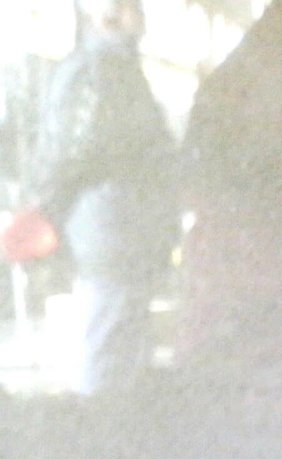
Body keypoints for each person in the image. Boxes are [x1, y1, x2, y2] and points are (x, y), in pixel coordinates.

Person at [27, 0, 175, 394]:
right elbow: (70, 151)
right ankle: (104, 422)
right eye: (132, 6)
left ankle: (117, 419)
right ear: (106, 15)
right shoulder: (96, 70)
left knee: (121, 338)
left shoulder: (113, 67)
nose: (141, 16)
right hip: (112, 226)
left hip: (119, 226)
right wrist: (44, 210)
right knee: (111, 340)